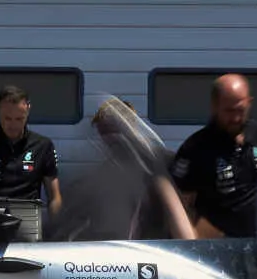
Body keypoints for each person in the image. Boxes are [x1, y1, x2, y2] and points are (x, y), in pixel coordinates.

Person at [47, 97, 193, 242]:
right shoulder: (105, 172)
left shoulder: (160, 160)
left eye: (112, 131)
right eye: (103, 133)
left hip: (158, 243)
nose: (108, 139)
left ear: (130, 127)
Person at [170, 74, 257, 239]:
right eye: (229, 111)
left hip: (247, 243)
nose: (236, 118)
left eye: (240, 110)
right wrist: (199, 234)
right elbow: (178, 203)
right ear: (215, 106)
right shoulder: (196, 148)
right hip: (210, 245)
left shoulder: (256, 133)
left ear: (249, 103)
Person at [0, 85, 61, 242]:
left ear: (28, 110)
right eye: (7, 118)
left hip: (28, 229)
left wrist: (56, 234)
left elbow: (54, 197)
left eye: (19, 119)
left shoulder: (43, 146)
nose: (13, 125)